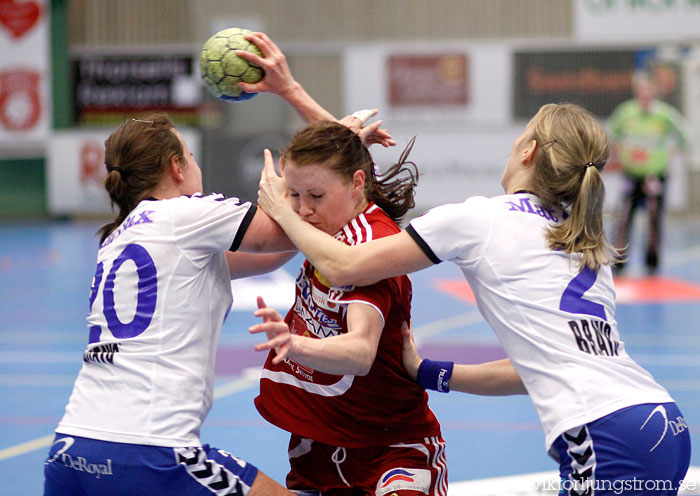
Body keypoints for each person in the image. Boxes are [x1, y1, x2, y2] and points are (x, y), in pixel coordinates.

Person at [257, 103, 691, 495]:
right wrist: (431, 373)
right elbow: (533, 370)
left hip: (604, 433)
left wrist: (281, 209)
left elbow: (345, 264)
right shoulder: (578, 242)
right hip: (660, 419)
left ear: (528, 152)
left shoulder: (477, 219)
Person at [43, 29, 393, 495]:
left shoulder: (122, 238)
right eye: (189, 155)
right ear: (175, 168)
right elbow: (288, 223)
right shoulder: (185, 214)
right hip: (150, 451)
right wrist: (334, 144)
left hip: (71, 448)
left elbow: (294, 239)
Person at [248, 120, 457, 496]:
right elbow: (338, 158)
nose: (303, 210)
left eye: (315, 196)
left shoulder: (367, 247)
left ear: (357, 183)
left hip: (391, 449)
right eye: (293, 195)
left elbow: (360, 352)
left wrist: (295, 345)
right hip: (319, 445)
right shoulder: (330, 225)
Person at [609, 73, 687, 275]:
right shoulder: (626, 112)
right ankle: (619, 260)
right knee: (624, 217)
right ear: (637, 93)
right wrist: (621, 154)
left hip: (654, 175)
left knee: (654, 219)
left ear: (654, 93)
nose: (644, 96)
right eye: (641, 92)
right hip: (631, 174)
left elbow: (684, 135)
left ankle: (651, 263)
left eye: (648, 92)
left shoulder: (665, 115)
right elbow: (612, 133)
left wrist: (668, 154)